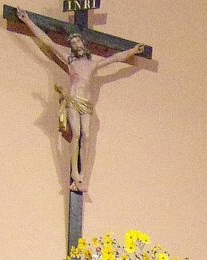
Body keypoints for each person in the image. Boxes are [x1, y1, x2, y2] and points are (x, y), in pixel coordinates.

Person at [17, 10, 144, 192]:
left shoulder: (93, 64)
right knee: (76, 134)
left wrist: (133, 50)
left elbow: (115, 58)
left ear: (84, 44)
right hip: (73, 100)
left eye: (78, 41)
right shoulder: (71, 62)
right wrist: (28, 21)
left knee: (87, 135)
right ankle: (75, 174)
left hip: (86, 103)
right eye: (73, 43)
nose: (76, 44)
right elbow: (48, 42)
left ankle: (82, 175)